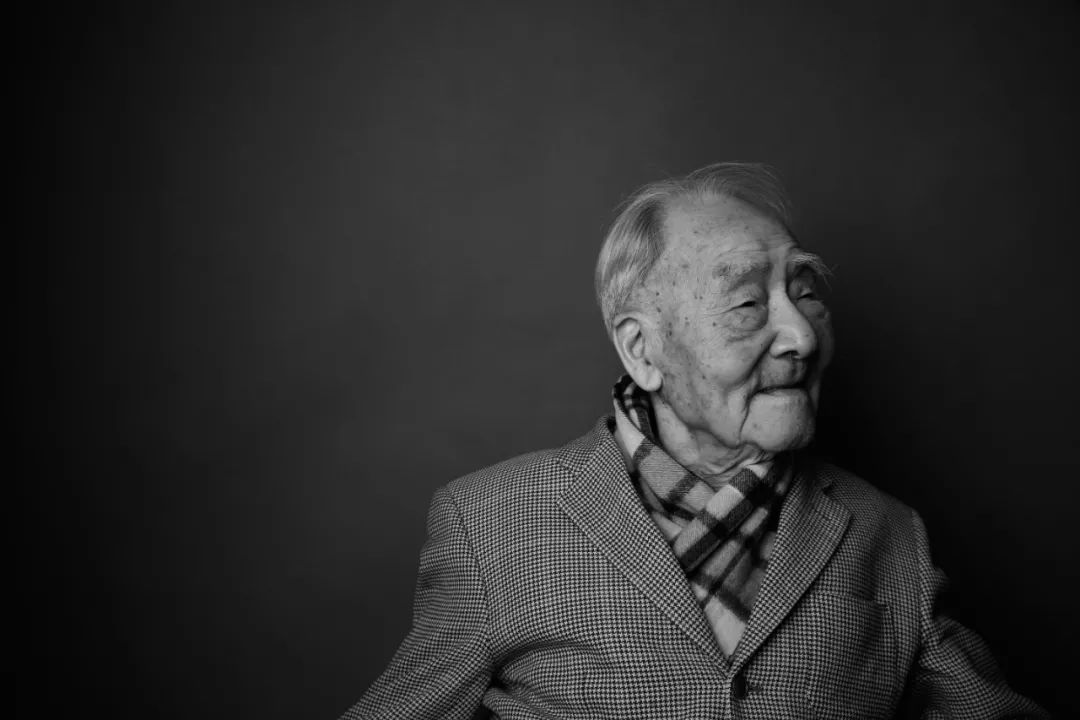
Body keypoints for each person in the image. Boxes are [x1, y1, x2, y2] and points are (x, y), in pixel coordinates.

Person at [340, 163, 1048, 719]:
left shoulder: (888, 533)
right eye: (746, 303)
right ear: (642, 351)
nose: (802, 337)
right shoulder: (490, 524)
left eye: (805, 292)